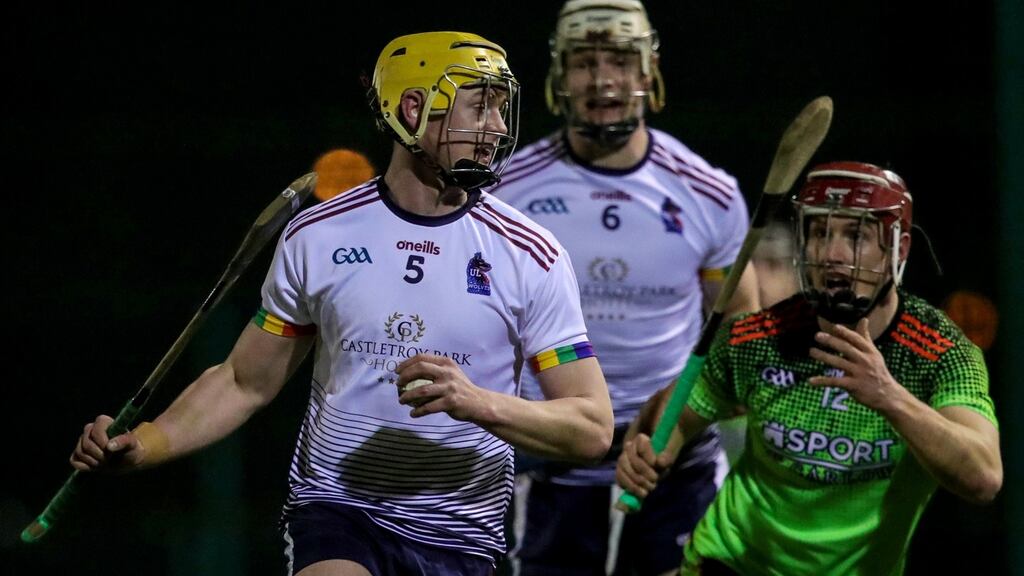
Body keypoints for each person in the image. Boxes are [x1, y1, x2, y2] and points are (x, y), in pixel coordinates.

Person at [70, 31, 614, 576]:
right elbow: (244, 382)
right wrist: (144, 445)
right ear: (412, 108)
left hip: (461, 536)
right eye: (481, 107)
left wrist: (479, 403)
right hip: (337, 513)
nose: (497, 129)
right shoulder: (318, 235)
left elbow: (591, 428)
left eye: (500, 109)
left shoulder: (532, 254)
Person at [616, 161, 1003, 576]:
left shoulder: (941, 353)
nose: (832, 255)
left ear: (899, 249)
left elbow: (982, 478)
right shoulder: (757, 338)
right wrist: (651, 452)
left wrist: (889, 396)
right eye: (820, 233)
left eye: (855, 236)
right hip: (729, 562)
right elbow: (674, 418)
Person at [489, 2, 759, 574]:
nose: (603, 79)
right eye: (584, 63)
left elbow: (742, 339)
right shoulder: (504, 195)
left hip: (674, 471)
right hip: (545, 470)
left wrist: (675, 426)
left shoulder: (708, 194)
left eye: (619, 60)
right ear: (559, 77)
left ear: (647, 72)